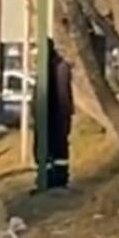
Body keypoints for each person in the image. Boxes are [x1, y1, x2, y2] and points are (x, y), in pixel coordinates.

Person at [45, 39, 74, 188]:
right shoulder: (45, 68)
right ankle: (47, 179)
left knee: (59, 149)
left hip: (57, 116)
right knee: (45, 150)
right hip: (46, 117)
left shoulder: (61, 68)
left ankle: (60, 179)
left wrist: (65, 117)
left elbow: (63, 96)